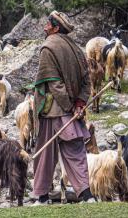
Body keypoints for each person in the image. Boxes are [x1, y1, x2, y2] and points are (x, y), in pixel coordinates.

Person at [32, 11, 96, 204]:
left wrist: (69, 106)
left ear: (56, 28)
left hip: (53, 111)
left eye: (47, 25)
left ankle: (41, 197)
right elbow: (87, 81)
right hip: (71, 112)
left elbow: (54, 84)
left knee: (45, 153)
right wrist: (79, 104)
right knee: (75, 151)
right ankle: (87, 195)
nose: (45, 27)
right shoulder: (76, 49)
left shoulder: (48, 47)